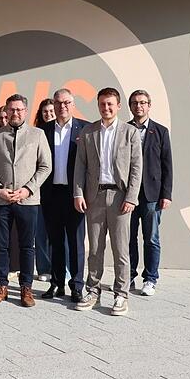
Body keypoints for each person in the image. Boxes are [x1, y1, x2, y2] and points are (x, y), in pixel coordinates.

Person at [73, 87, 143, 316]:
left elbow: (136, 168)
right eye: (102, 104)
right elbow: (80, 165)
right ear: (98, 105)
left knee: (121, 249)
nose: (106, 108)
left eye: (110, 104)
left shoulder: (129, 132)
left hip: (120, 198)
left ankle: (121, 295)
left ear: (118, 106)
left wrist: (132, 197)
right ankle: (92, 290)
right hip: (94, 197)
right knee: (95, 248)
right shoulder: (88, 131)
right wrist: (78, 193)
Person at [0, 94, 52, 308]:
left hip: (27, 200)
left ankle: (26, 288)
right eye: (11, 109)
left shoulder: (37, 135)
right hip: (1, 200)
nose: (15, 113)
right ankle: (1, 285)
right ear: (6, 111)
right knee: (1, 245)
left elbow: (45, 166)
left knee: (26, 246)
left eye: (19, 110)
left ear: (26, 111)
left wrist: (28, 189)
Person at [38, 88, 89, 301]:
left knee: (76, 242)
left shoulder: (84, 129)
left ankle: (77, 285)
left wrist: (85, 193)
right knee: (55, 241)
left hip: (75, 195)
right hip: (51, 194)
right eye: (58, 103)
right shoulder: (43, 130)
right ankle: (57, 283)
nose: (62, 106)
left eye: (67, 102)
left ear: (73, 104)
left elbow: (90, 165)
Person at [127, 90, 172, 297]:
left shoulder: (160, 131)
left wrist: (166, 194)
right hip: (128, 194)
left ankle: (150, 278)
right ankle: (129, 276)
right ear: (130, 106)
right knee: (128, 238)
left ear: (149, 105)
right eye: (135, 103)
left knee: (151, 238)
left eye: (143, 103)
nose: (139, 106)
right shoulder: (124, 130)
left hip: (152, 194)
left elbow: (167, 165)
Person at [32, 98, 57, 280]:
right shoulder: (36, 133)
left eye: (51, 111)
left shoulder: (62, 131)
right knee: (41, 231)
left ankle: (59, 267)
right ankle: (43, 268)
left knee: (58, 232)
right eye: (45, 111)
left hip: (59, 187)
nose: (48, 114)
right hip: (39, 187)